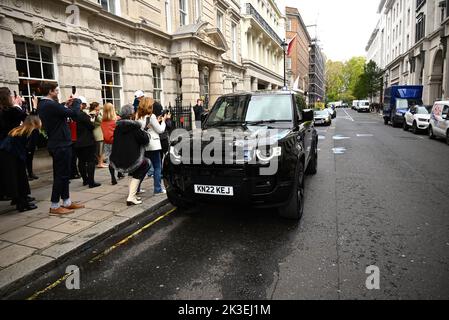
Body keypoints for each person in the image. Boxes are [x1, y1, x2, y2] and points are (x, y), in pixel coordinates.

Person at [37, 83, 85, 215]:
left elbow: (59, 111)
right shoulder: (50, 105)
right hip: (60, 144)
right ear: (50, 91)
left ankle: (67, 202)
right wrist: (77, 101)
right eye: (56, 91)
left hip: (60, 143)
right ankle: (54, 205)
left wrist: (65, 103)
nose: (58, 92)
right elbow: (74, 114)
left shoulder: (44, 104)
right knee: (60, 176)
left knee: (64, 175)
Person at [110, 104, 150, 206]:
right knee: (145, 164)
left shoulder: (118, 127)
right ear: (131, 114)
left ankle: (132, 194)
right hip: (132, 159)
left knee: (133, 171)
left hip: (120, 158)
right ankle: (131, 197)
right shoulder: (134, 127)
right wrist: (145, 131)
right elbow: (145, 139)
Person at [0, 116, 41, 212]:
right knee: (20, 179)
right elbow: (29, 149)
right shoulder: (32, 131)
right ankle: (22, 204)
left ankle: (18, 200)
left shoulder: (19, 129)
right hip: (13, 156)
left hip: (5, 155)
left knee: (15, 179)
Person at [135, 97, 168, 195]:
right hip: (153, 145)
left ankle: (136, 188)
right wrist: (163, 121)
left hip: (143, 145)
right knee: (157, 167)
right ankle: (157, 189)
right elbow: (160, 130)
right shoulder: (151, 116)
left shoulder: (138, 116)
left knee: (143, 167)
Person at [0, 87, 27, 202]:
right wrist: (19, 105)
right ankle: (21, 202)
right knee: (18, 173)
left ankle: (16, 198)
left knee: (10, 175)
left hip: (3, 147)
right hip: (13, 147)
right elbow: (28, 119)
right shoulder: (12, 111)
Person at [76, 97, 101, 189]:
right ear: (81, 105)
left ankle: (85, 180)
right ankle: (91, 182)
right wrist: (93, 119)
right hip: (87, 141)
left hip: (76, 142)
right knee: (90, 161)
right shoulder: (82, 115)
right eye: (84, 105)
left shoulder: (72, 114)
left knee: (81, 161)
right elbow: (91, 126)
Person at [101, 102, 121, 185]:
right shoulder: (117, 119)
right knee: (119, 158)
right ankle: (120, 173)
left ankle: (113, 177)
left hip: (107, 142)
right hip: (116, 142)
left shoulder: (102, 121)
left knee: (110, 160)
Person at [89, 102, 107, 168]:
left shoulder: (97, 113)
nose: (100, 107)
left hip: (99, 132)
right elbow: (101, 120)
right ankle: (100, 163)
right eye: (98, 106)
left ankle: (100, 162)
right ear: (95, 107)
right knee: (100, 150)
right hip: (98, 133)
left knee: (100, 149)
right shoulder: (93, 113)